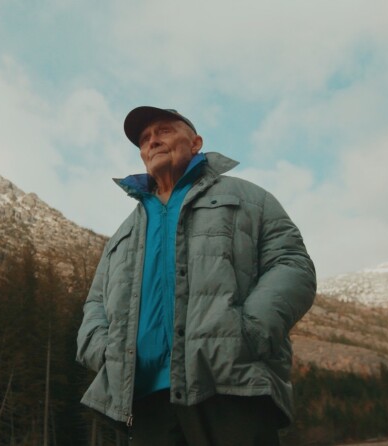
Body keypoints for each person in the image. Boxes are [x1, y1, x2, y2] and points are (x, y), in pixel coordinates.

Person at [76, 106, 316, 445]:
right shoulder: (123, 233)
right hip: (147, 403)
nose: (153, 141)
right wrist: (106, 354)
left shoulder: (249, 198)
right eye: (145, 139)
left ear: (196, 142)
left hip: (231, 387)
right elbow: (95, 304)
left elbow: (292, 264)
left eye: (164, 131)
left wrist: (247, 333)